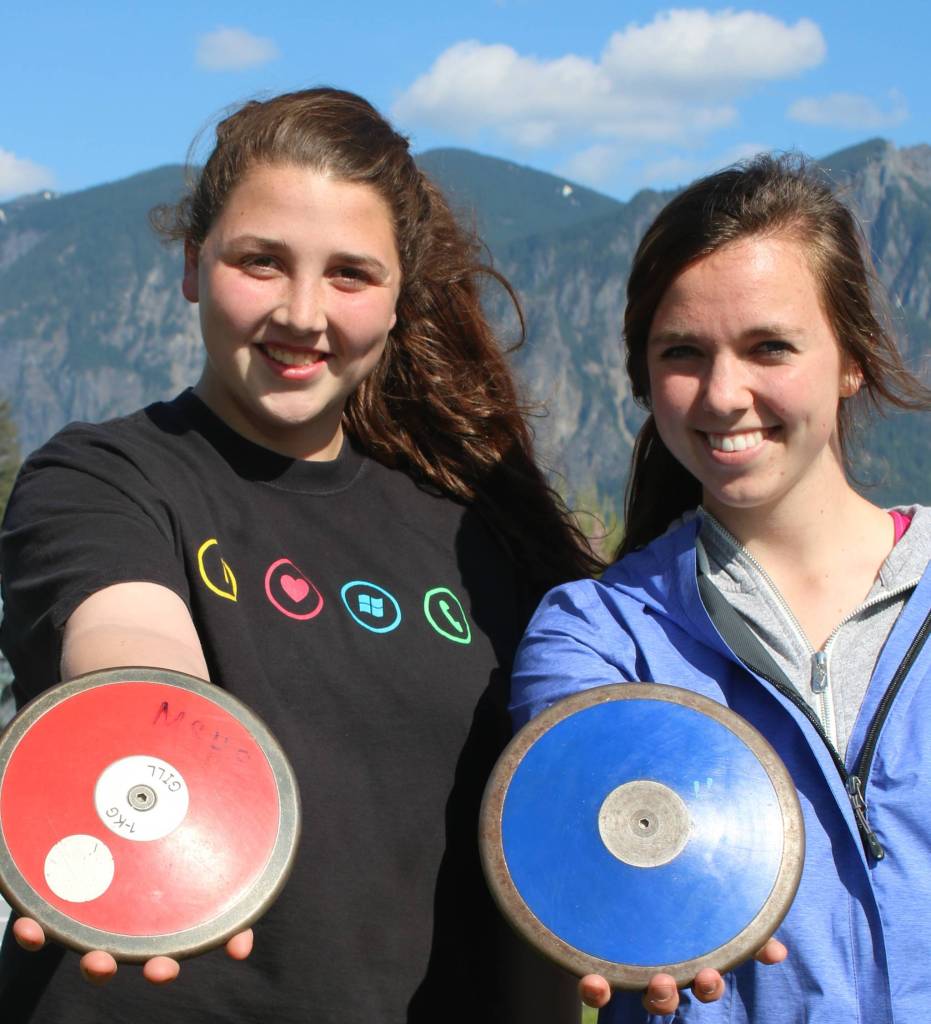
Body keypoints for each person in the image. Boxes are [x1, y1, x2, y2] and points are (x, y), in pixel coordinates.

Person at [0, 87, 610, 1023]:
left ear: (401, 298)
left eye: (349, 275)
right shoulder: (105, 476)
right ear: (193, 266)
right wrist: (153, 769)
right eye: (261, 261)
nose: (301, 311)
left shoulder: (479, 533)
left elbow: (536, 839)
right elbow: (130, 648)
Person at [511, 154, 931, 1023]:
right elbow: (588, 851)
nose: (723, 393)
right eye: (683, 354)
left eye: (768, 346)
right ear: (641, 377)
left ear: (850, 360)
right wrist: (616, 912)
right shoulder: (595, 639)